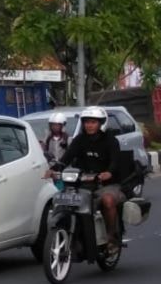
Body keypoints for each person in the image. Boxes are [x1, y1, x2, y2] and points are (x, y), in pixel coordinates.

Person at [48, 106, 124, 249]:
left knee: (108, 201)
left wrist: (108, 172)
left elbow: (115, 161)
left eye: (93, 122)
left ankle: (111, 236)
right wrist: (53, 170)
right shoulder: (79, 139)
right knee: (68, 202)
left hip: (107, 184)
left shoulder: (111, 140)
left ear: (101, 123)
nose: (89, 125)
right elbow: (66, 157)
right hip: (83, 182)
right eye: (87, 122)